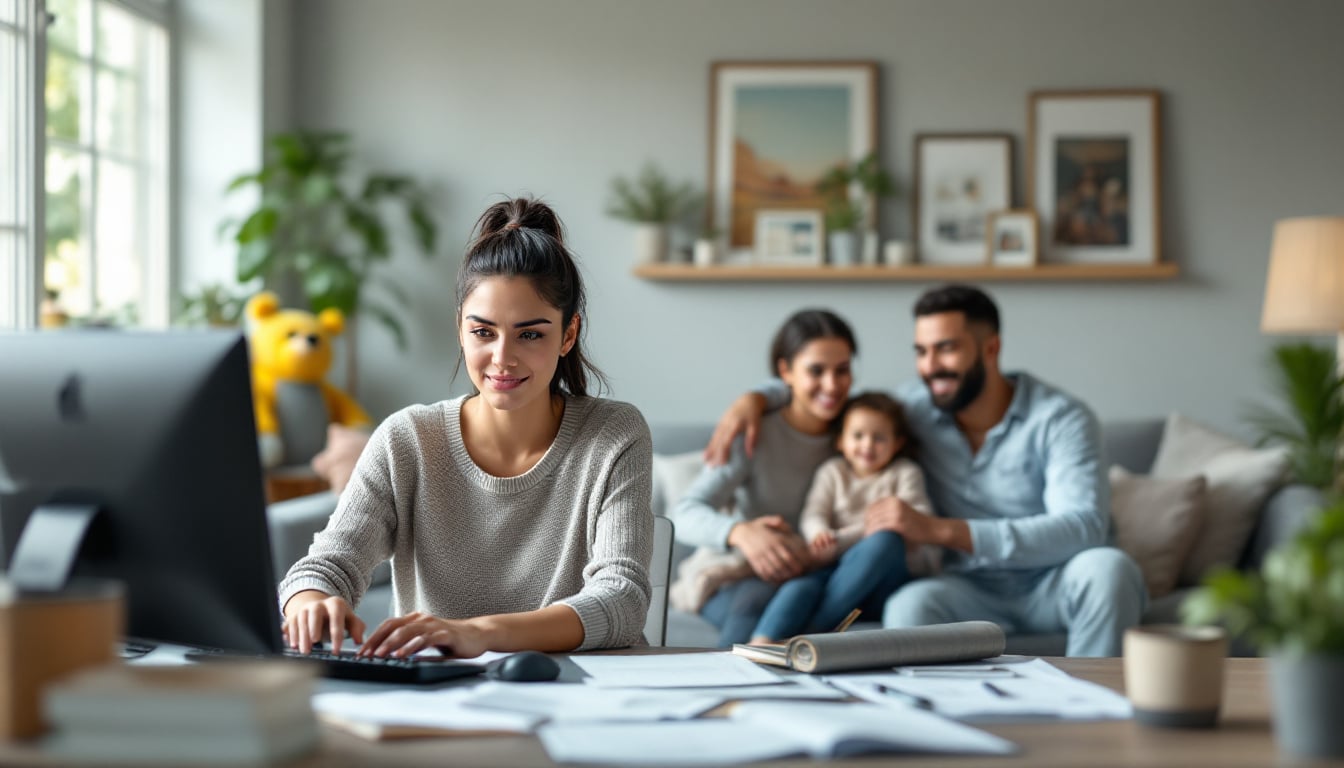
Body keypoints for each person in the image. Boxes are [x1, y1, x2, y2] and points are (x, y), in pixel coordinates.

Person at [278, 197, 653, 659]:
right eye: (483, 332)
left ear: (568, 334)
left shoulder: (615, 434)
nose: (502, 357)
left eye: (530, 334)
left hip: (586, 696)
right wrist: (311, 602)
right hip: (445, 700)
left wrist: (479, 633)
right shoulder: (407, 439)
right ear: (460, 328)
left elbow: (622, 601)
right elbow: (328, 565)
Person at [705, 284, 1146, 657]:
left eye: (946, 349)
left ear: (991, 348)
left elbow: (1084, 526)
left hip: (1052, 580)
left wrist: (941, 531)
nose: (930, 367)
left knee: (1108, 569)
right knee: (909, 607)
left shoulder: (1061, 419)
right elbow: (836, 397)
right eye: (921, 351)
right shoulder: (916, 409)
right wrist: (757, 398)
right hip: (964, 588)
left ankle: (1093, 707)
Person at [667, 309, 909, 648]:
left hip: (820, 576)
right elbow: (685, 512)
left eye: (842, 370)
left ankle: (777, 648)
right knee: (756, 599)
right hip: (749, 574)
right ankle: (739, 684)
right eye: (816, 371)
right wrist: (740, 533)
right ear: (785, 371)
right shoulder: (754, 432)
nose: (832, 385)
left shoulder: (858, 433)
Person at [748, 391, 938, 643]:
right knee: (799, 588)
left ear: (897, 442)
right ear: (840, 441)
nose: (867, 445)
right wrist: (819, 534)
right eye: (858, 436)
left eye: (879, 437)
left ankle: (812, 635)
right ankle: (760, 644)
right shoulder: (832, 472)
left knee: (885, 539)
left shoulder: (904, 473)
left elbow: (914, 521)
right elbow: (814, 512)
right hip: (835, 572)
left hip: (884, 580)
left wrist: (839, 539)